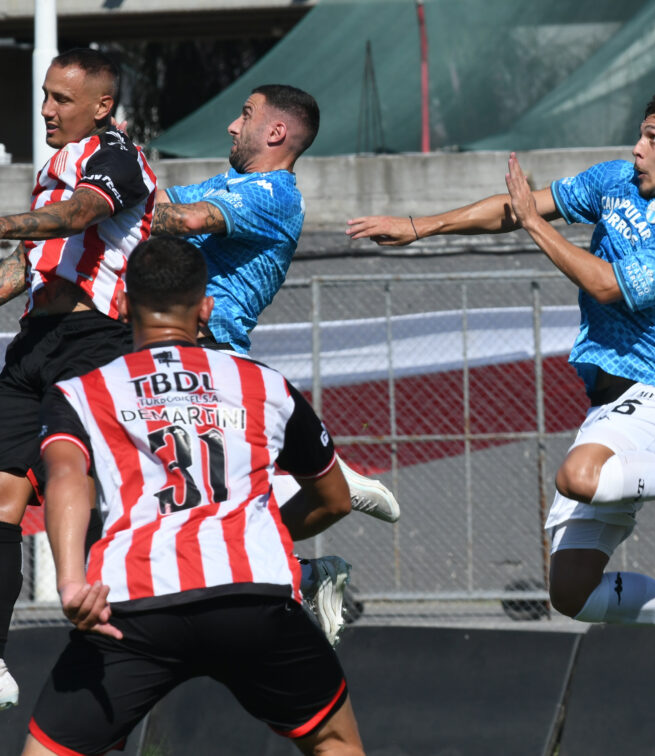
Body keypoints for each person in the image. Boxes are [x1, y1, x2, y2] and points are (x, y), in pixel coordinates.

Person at [348, 90, 655, 688]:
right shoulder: (614, 181)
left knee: (577, 476)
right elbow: (517, 206)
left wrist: (533, 222)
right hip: (611, 406)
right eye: (639, 134)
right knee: (572, 592)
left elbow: (608, 285)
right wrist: (419, 226)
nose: (637, 147)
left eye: (653, 138)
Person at [23, 235, 364, 756]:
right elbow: (335, 498)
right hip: (253, 594)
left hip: (133, 606)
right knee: (334, 741)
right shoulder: (265, 384)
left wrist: (71, 582)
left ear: (119, 304)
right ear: (206, 308)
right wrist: (246, 533)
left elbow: (66, 475)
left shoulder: (81, 392)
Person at [149, 84, 399, 644]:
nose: (233, 127)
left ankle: (316, 502)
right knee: (195, 532)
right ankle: (308, 567)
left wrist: (107, 197)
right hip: (180, 361)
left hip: (210, 367)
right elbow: (159, 201)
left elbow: (176, 219)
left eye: (245, 115)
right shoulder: (229, 182)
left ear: (276, 132)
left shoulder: (273, 193)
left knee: (185, 529)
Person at [0, 48, 156, 710]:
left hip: (96, 342)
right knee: (2, 497)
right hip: (35, 342)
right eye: (43, 95)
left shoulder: (117, 158)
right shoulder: (47, 171)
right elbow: (20, 271)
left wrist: (5, 221)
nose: (45, 110)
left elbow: (76, 218)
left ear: (101, 106)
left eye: (61, 100)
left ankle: (113, 640)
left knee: (77, 482)